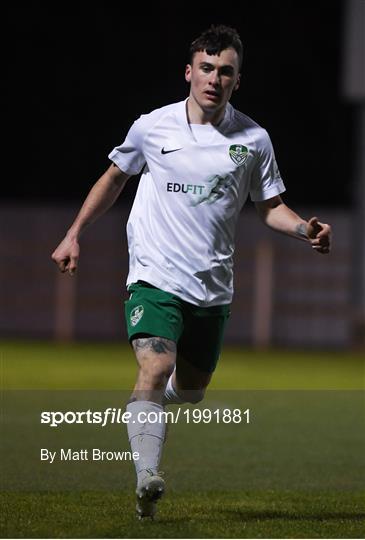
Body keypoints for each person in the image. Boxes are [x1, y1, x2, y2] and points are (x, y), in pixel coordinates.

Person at [51, 24, 332, 519]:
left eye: (225, 71)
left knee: (192, 390)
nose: (214, 79)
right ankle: (147, 480)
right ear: (189, 72)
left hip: (213, 287)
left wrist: (303, 229)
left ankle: (153, 419)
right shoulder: (152, 127)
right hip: (154, 275)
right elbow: (114, 179)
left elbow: (270, 207)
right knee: (155, 367)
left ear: (237, 80)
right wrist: (74, 232)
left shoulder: (254, 139)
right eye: (206, 68)